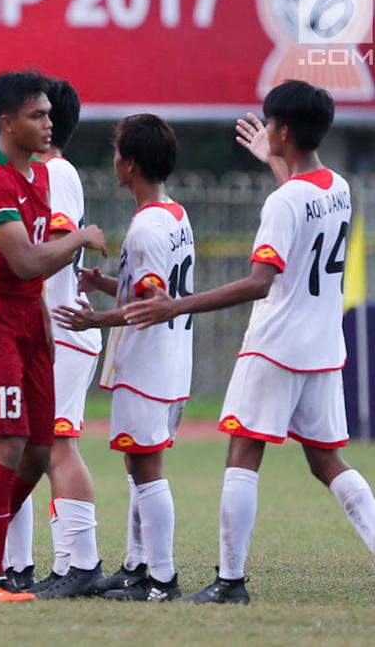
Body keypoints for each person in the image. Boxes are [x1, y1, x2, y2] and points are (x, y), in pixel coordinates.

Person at [126, 80, 375, 604]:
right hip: (324, 349)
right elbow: (301, 197)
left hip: (275, 345)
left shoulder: (284, 201)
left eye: (270, 126)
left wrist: (175, 304)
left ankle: (231, 582)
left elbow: (260, 282)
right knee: (327, 461)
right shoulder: (340, 187)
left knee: (243, 454)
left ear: (282, 130)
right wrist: (273, 161)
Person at [0, 71, 106, 602]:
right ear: (6, 124)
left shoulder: (41, 179)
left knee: (38, 447)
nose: (48, 124)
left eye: (49, 114)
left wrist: (45, 331)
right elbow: (25, 260)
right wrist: (80, 236)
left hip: (31, 320)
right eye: (37, 115)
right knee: (4, 445)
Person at [54, 113, 193, 601]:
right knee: (140, 466)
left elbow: (150, 306)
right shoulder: (173, 214)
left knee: (147, 470)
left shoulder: (144, 230)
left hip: (148, 365)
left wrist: (96, 320)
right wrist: (105, 284)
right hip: (172, 362)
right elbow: (153, 289)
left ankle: (162, 580)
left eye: (117, 152)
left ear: (129, 163)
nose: (114, 160)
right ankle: (138, 569)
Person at [22, 79, 106, 597]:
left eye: (38, 112)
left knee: (58, 444)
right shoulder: (39, 173)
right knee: (45, 444)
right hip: (51, 326)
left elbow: (56, 241)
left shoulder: (58, 172)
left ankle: (82, 565)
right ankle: (69, 564)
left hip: (65, 325)